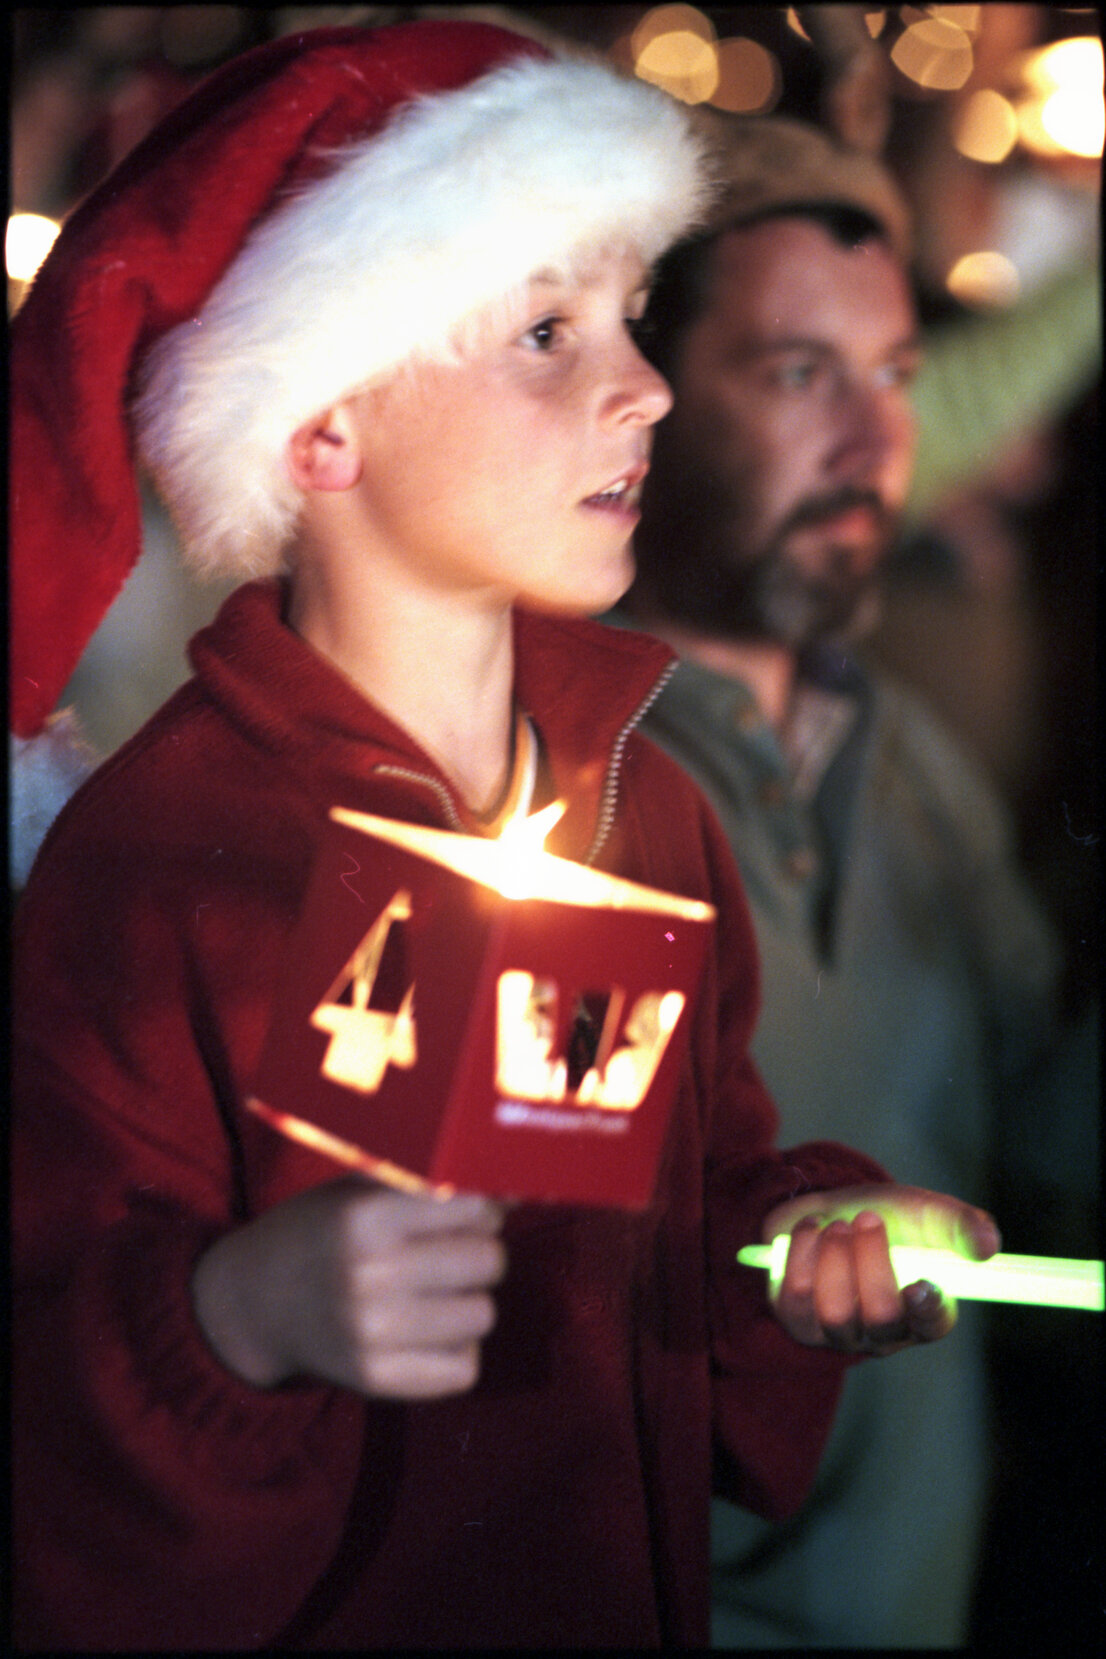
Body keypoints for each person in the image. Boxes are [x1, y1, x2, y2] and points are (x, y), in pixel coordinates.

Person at [11, 24, 1000, 1650]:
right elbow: (49, 1423)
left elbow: (684, 1225)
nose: (645, 383)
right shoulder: (160, 869)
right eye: (546, 332)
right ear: (319, 428)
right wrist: (231, 1317)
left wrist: (799, 1246)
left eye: (629, 316)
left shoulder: (649, 805)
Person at [619, 111, 1067, 1649]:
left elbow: (1042, 1135)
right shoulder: (544, 783)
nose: (876, 444)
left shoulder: (910, 762)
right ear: (642, 396)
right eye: (799, 374)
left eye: (894, 376)